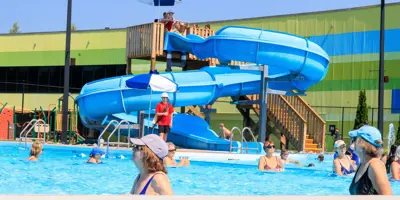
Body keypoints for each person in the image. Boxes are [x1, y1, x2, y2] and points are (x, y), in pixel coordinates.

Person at [348, 125, 392, 195]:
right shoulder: (362, 164)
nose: (352, 142)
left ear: (361, 142)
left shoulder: (375, 165)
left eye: (354, 139)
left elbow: (388, 197)